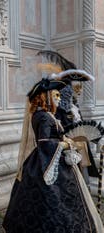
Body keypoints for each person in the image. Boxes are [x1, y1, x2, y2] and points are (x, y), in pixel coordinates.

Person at [2, 77, 103, 233]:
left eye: (58, 95)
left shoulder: (44, 114)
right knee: (54, 200)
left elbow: (52, 137)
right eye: (55, 95)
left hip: (45, 159)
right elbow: (45, 143)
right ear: (45, 96)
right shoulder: (43, 116)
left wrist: (66, 139)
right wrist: (65, 144)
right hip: (48, 159)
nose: (58, 98)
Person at [38, 50, 100, 187]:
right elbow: (58, 132)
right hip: (68, 153)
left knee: (83, 182)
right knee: (72, 183)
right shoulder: (59, 109)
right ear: (68, 88)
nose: (80, 91)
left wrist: (95, 137)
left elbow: (81, 125)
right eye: (77, 87)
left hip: (80, 150)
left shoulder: (74, 106)